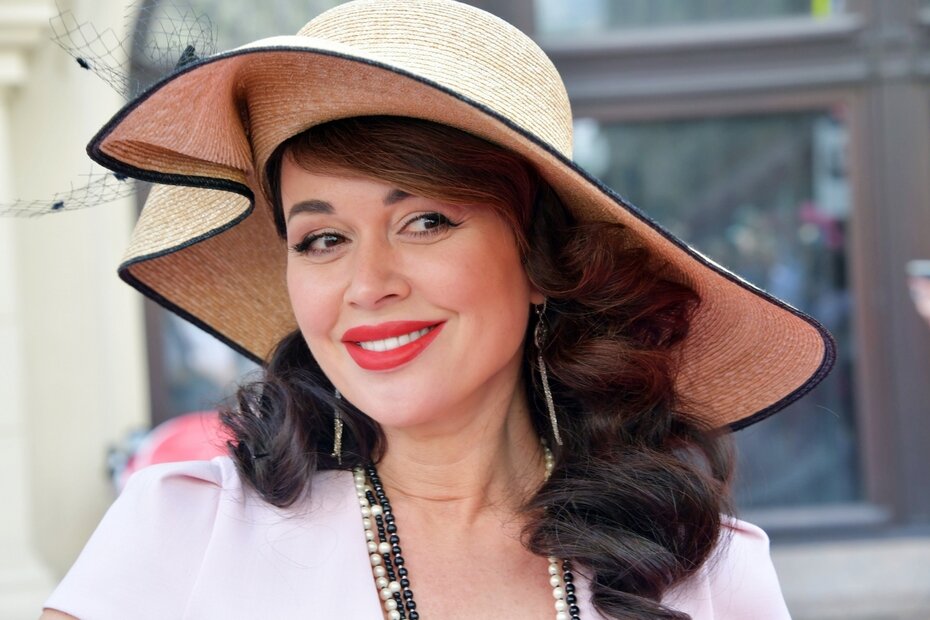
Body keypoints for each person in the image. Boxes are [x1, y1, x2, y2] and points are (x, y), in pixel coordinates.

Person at [40, 0, 834, 618]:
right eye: (322, 239)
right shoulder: (182, 534)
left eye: (425, 222)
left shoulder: (698, 570)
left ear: (539, 260)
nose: (368, 283)